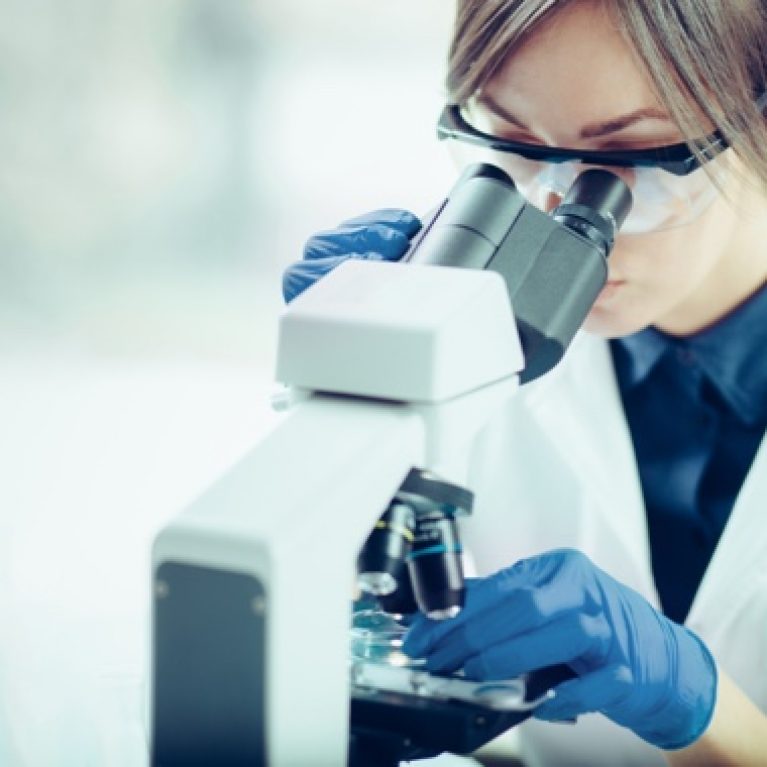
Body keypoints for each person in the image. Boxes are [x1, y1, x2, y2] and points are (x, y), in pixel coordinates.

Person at [282, 1, 767, 764]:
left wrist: (698, 705)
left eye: (628, 159)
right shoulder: (481, 339)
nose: (550, 204)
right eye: (507, 145)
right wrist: (343, 394)